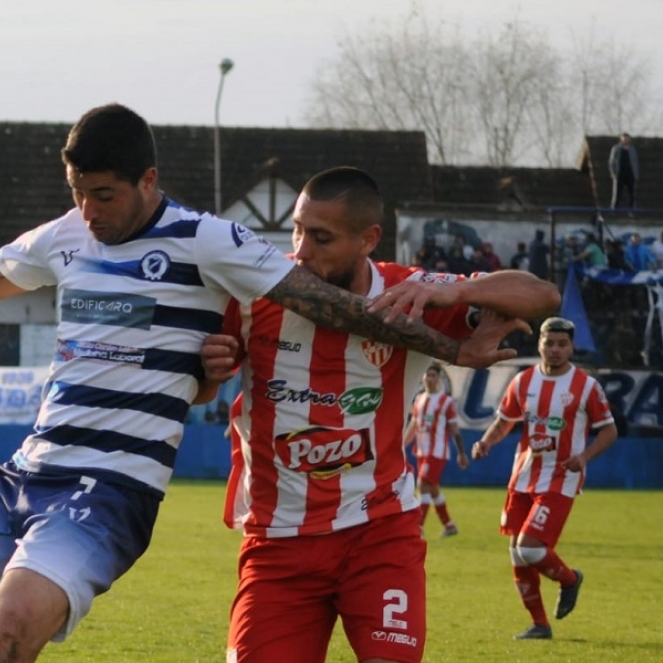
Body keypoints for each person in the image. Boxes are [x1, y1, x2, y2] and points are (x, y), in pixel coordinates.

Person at [0, 105, 521, 663]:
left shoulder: (208, 240)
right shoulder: (63, 235)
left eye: (103, 194)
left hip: (109, 487)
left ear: (147, 180)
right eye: (77, 192)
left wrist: (452, 344)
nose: (88, 211)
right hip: (25, 476)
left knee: (6, 630)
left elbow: (330, 304)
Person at [200, 166, 560, 663]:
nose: (301, 249)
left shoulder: (410, 291)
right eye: (298, 230)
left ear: (368, 239)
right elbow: (200, 393)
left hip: (379, 535)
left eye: (321, 238)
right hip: (278, 543)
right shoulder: (255, 293)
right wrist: (208, 372)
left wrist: (454, 292)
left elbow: (543, 296)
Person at [472, 317, 618, 641]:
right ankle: (540, 624)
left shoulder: (586, 386)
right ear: (539, 344)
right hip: (523, 477)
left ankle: (569, 579)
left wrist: (584, 457)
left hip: (560, 479)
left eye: (561, 344)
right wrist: (485, 442)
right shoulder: (523, 382)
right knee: (516, 553)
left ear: (571, 347)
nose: (554, 350)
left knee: (531, 549)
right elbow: (504, 422)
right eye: (549, 343)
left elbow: (609, 430)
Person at [402, 363, 469, 538]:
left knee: (422, 485)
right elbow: (414, 426)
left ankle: (418, 528)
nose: (430, 379)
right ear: (422, 377)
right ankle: (449, 525)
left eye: (433, 375)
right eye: (427, 375)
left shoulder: (446, 402)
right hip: (422, 451)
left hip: (437, 452)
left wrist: (461, 453)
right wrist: (401, 445)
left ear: (439, 379)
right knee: (433, 489)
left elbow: (454, 429)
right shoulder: (419, 399)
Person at [608, 133, 638, 209]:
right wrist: (613, 173)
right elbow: (611, 162)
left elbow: (635, 162)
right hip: (619, 173)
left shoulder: (632, 149)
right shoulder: (616, 149)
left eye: (627, 139)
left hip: (630, 174)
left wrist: (636, 174)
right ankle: (614, 209)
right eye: (624, 138)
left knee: (631, 194)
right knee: (617, 193)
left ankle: (632, 210)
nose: (625, 140)